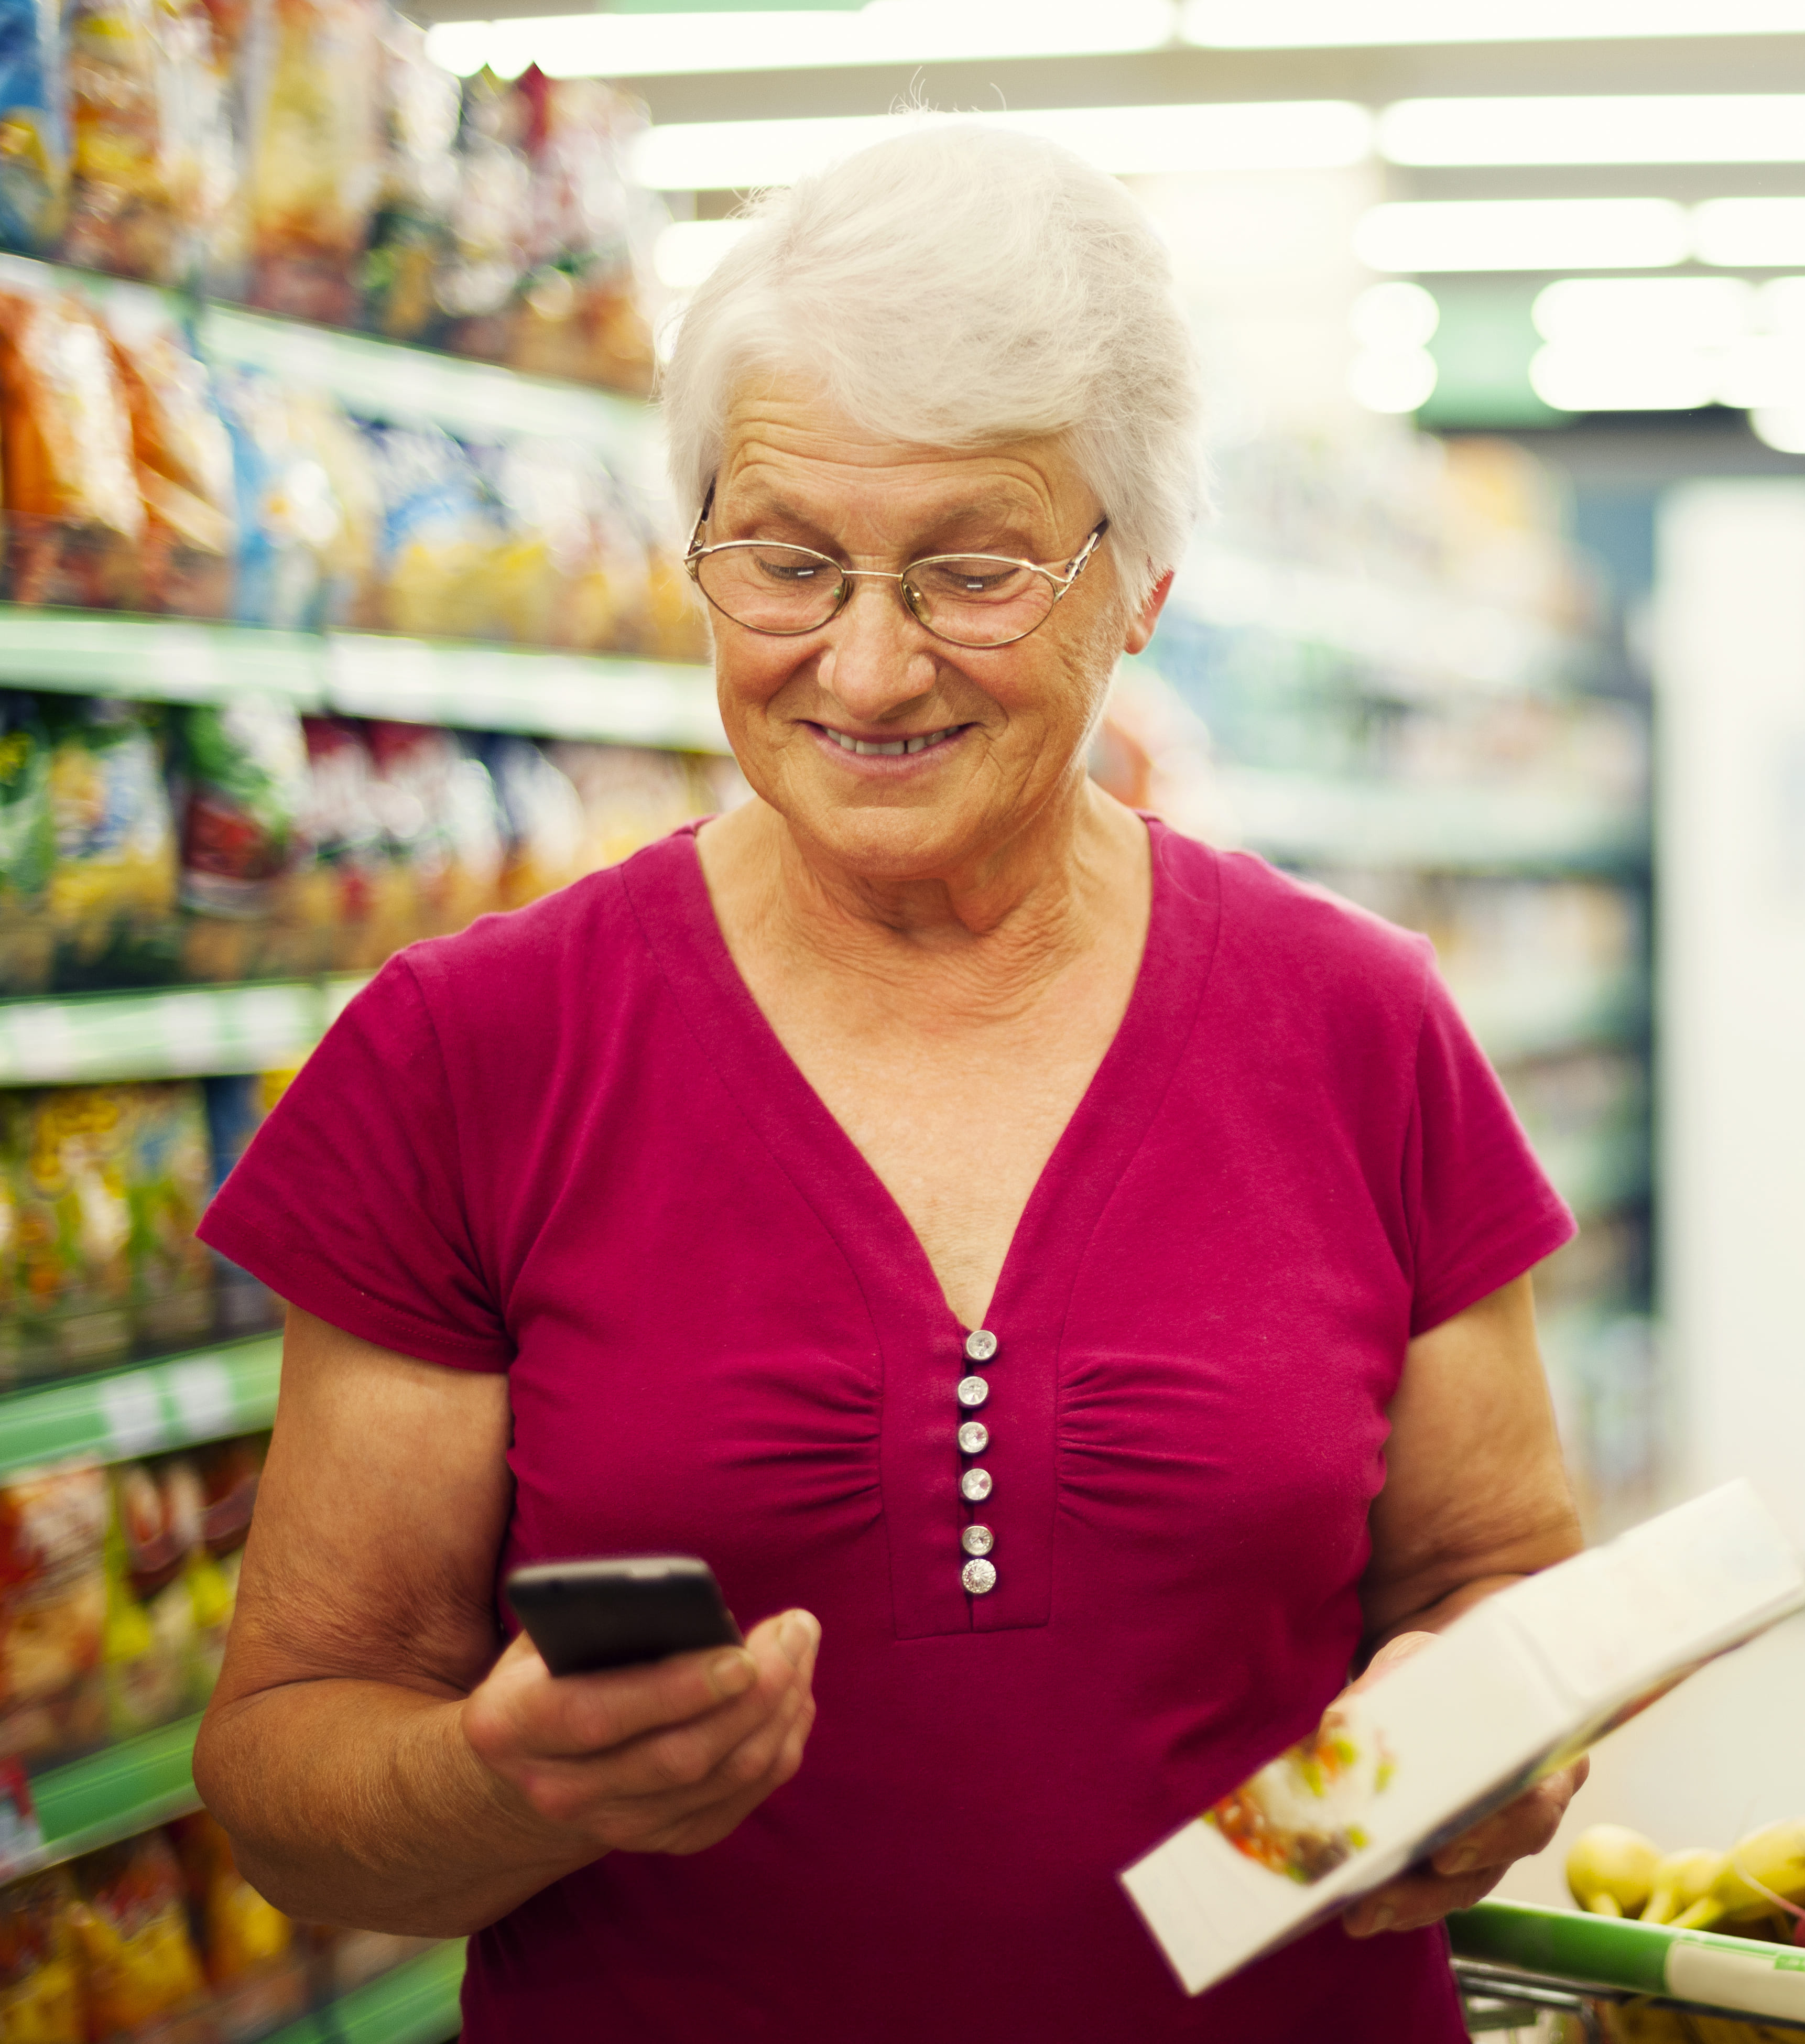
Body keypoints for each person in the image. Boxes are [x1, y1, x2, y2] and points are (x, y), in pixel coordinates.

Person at [190, 123, 1590, 2040]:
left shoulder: (1359, 1026)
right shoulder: (469, 1056)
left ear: (1145, 584)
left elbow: (1496, 1573)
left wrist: (1497, 1742)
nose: (861, 663)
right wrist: (500, 1785)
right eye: (786, 560)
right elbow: (287, 1771)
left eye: (972, 569)